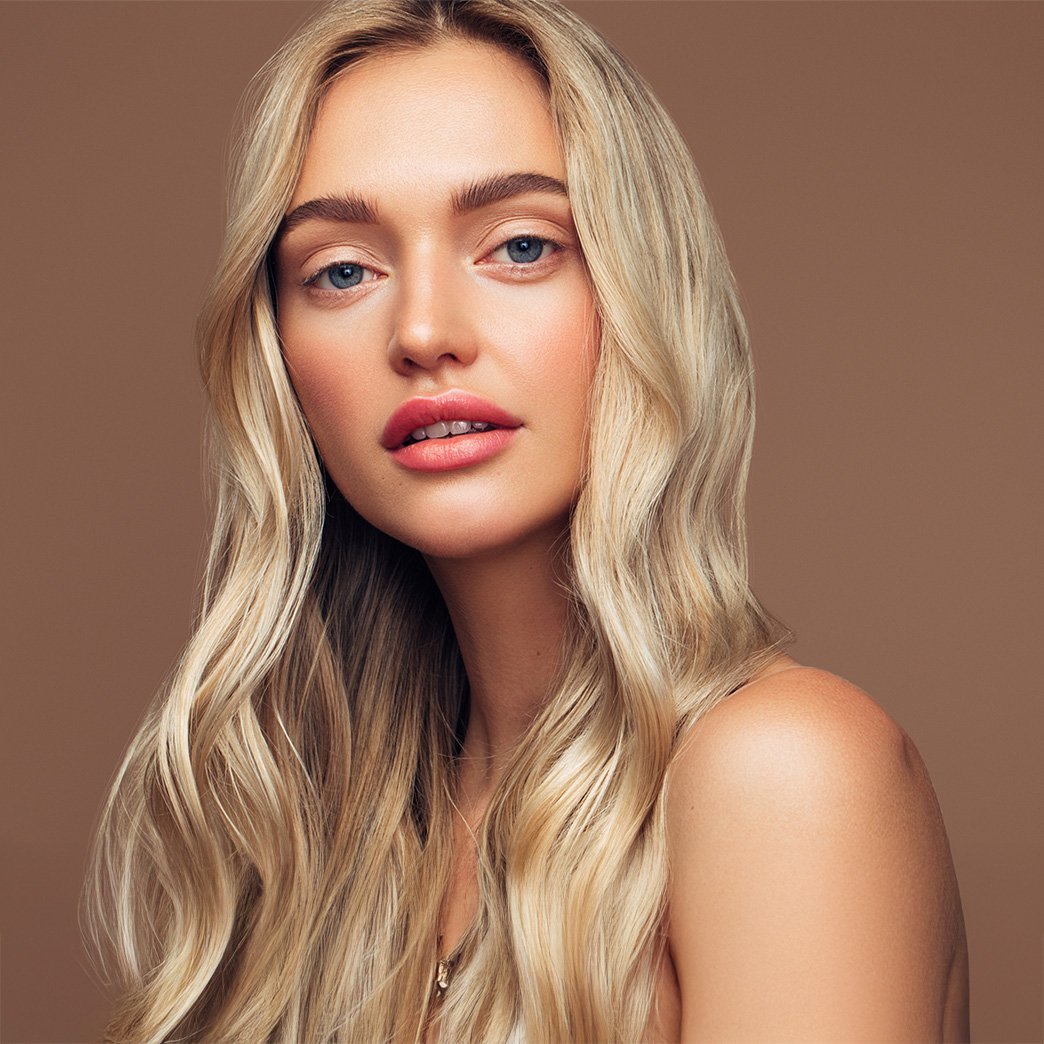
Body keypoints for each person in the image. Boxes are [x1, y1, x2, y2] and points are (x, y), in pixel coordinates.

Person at [83, 1, 969, 1040]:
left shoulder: (783, 773)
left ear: (641, 293)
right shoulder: (351, 844)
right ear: (280, 359)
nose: (421, 331)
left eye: (518, 246)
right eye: (341, 271)